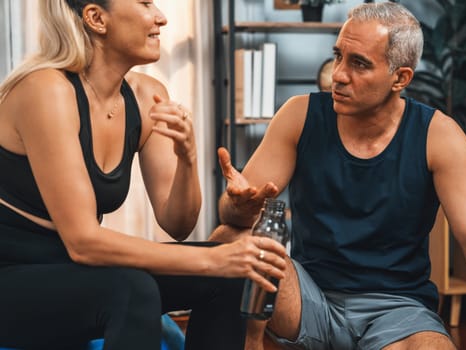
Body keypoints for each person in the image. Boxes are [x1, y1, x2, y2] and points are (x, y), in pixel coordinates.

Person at [212, 2, 466, 349]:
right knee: (230, 237)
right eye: (339, 57)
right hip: (308, 298)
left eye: (359, 63)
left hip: (398, 311)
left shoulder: (440, 137)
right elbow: (232, 216)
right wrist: (240, 206)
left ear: (400, 78)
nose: (339, 74)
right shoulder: (298, 116)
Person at [0, 1, 287, 349]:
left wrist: (187, 157)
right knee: (134, 289)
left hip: (74, 273)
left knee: (233, 276)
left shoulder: (144, 95)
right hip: (13, 276)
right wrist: (212, 257)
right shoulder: (46, 90)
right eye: (145, 3)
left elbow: (178, 224)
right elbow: (84, 243)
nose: (161, 17)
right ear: (96, 18)